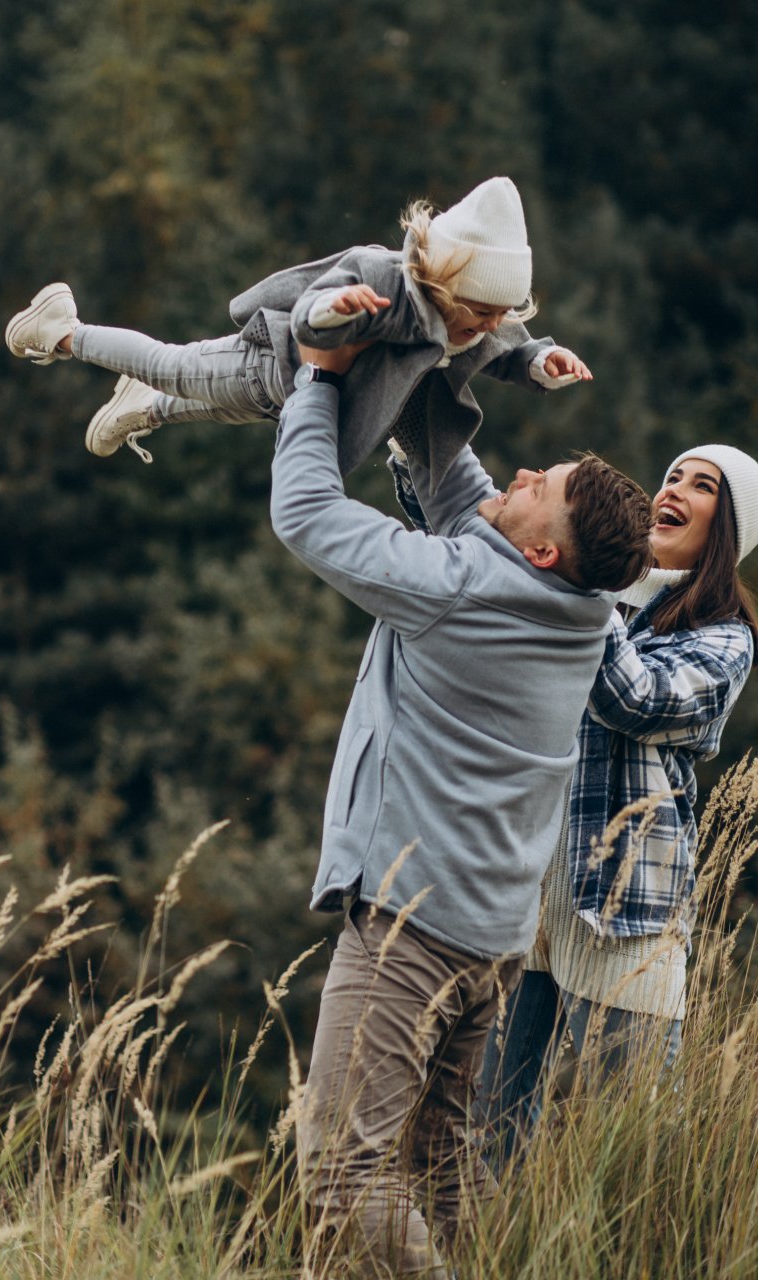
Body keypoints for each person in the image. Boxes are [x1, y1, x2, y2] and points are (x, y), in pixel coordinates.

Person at [269, 345, 652, 1279]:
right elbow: (456, 480)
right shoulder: (581, 612)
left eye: (541, 484)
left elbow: (307, 514)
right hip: (489, 941)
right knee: (442, 1169)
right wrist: (437, 351)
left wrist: (320, 379)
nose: (520, 471)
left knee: (343, 1176)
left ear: (543, 550)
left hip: (410, 928)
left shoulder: (463, 591)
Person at [472, 443, 758, 1170]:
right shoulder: (594, 598)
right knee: (486, 1140)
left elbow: (634, 700)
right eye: (673, 476)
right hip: (527, 906)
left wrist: (594, 577)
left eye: (704, 487)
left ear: (726, 528)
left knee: (625, 1150)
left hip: (623, 920)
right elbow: (496, 543)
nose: (677, 489)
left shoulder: (723, 637)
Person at [4, 176, 590, 473]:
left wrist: (538, 361)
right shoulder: (385, 278)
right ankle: (64, 330)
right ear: (445, 282)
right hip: (269, 364)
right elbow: (315, 307)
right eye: (482, 311)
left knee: (211, 408)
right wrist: (330, 313)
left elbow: (505, 345)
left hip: (296, 402)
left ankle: (144, 407)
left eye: (501, 316)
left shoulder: (472, 326)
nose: (489, 328)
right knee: (169, 364)